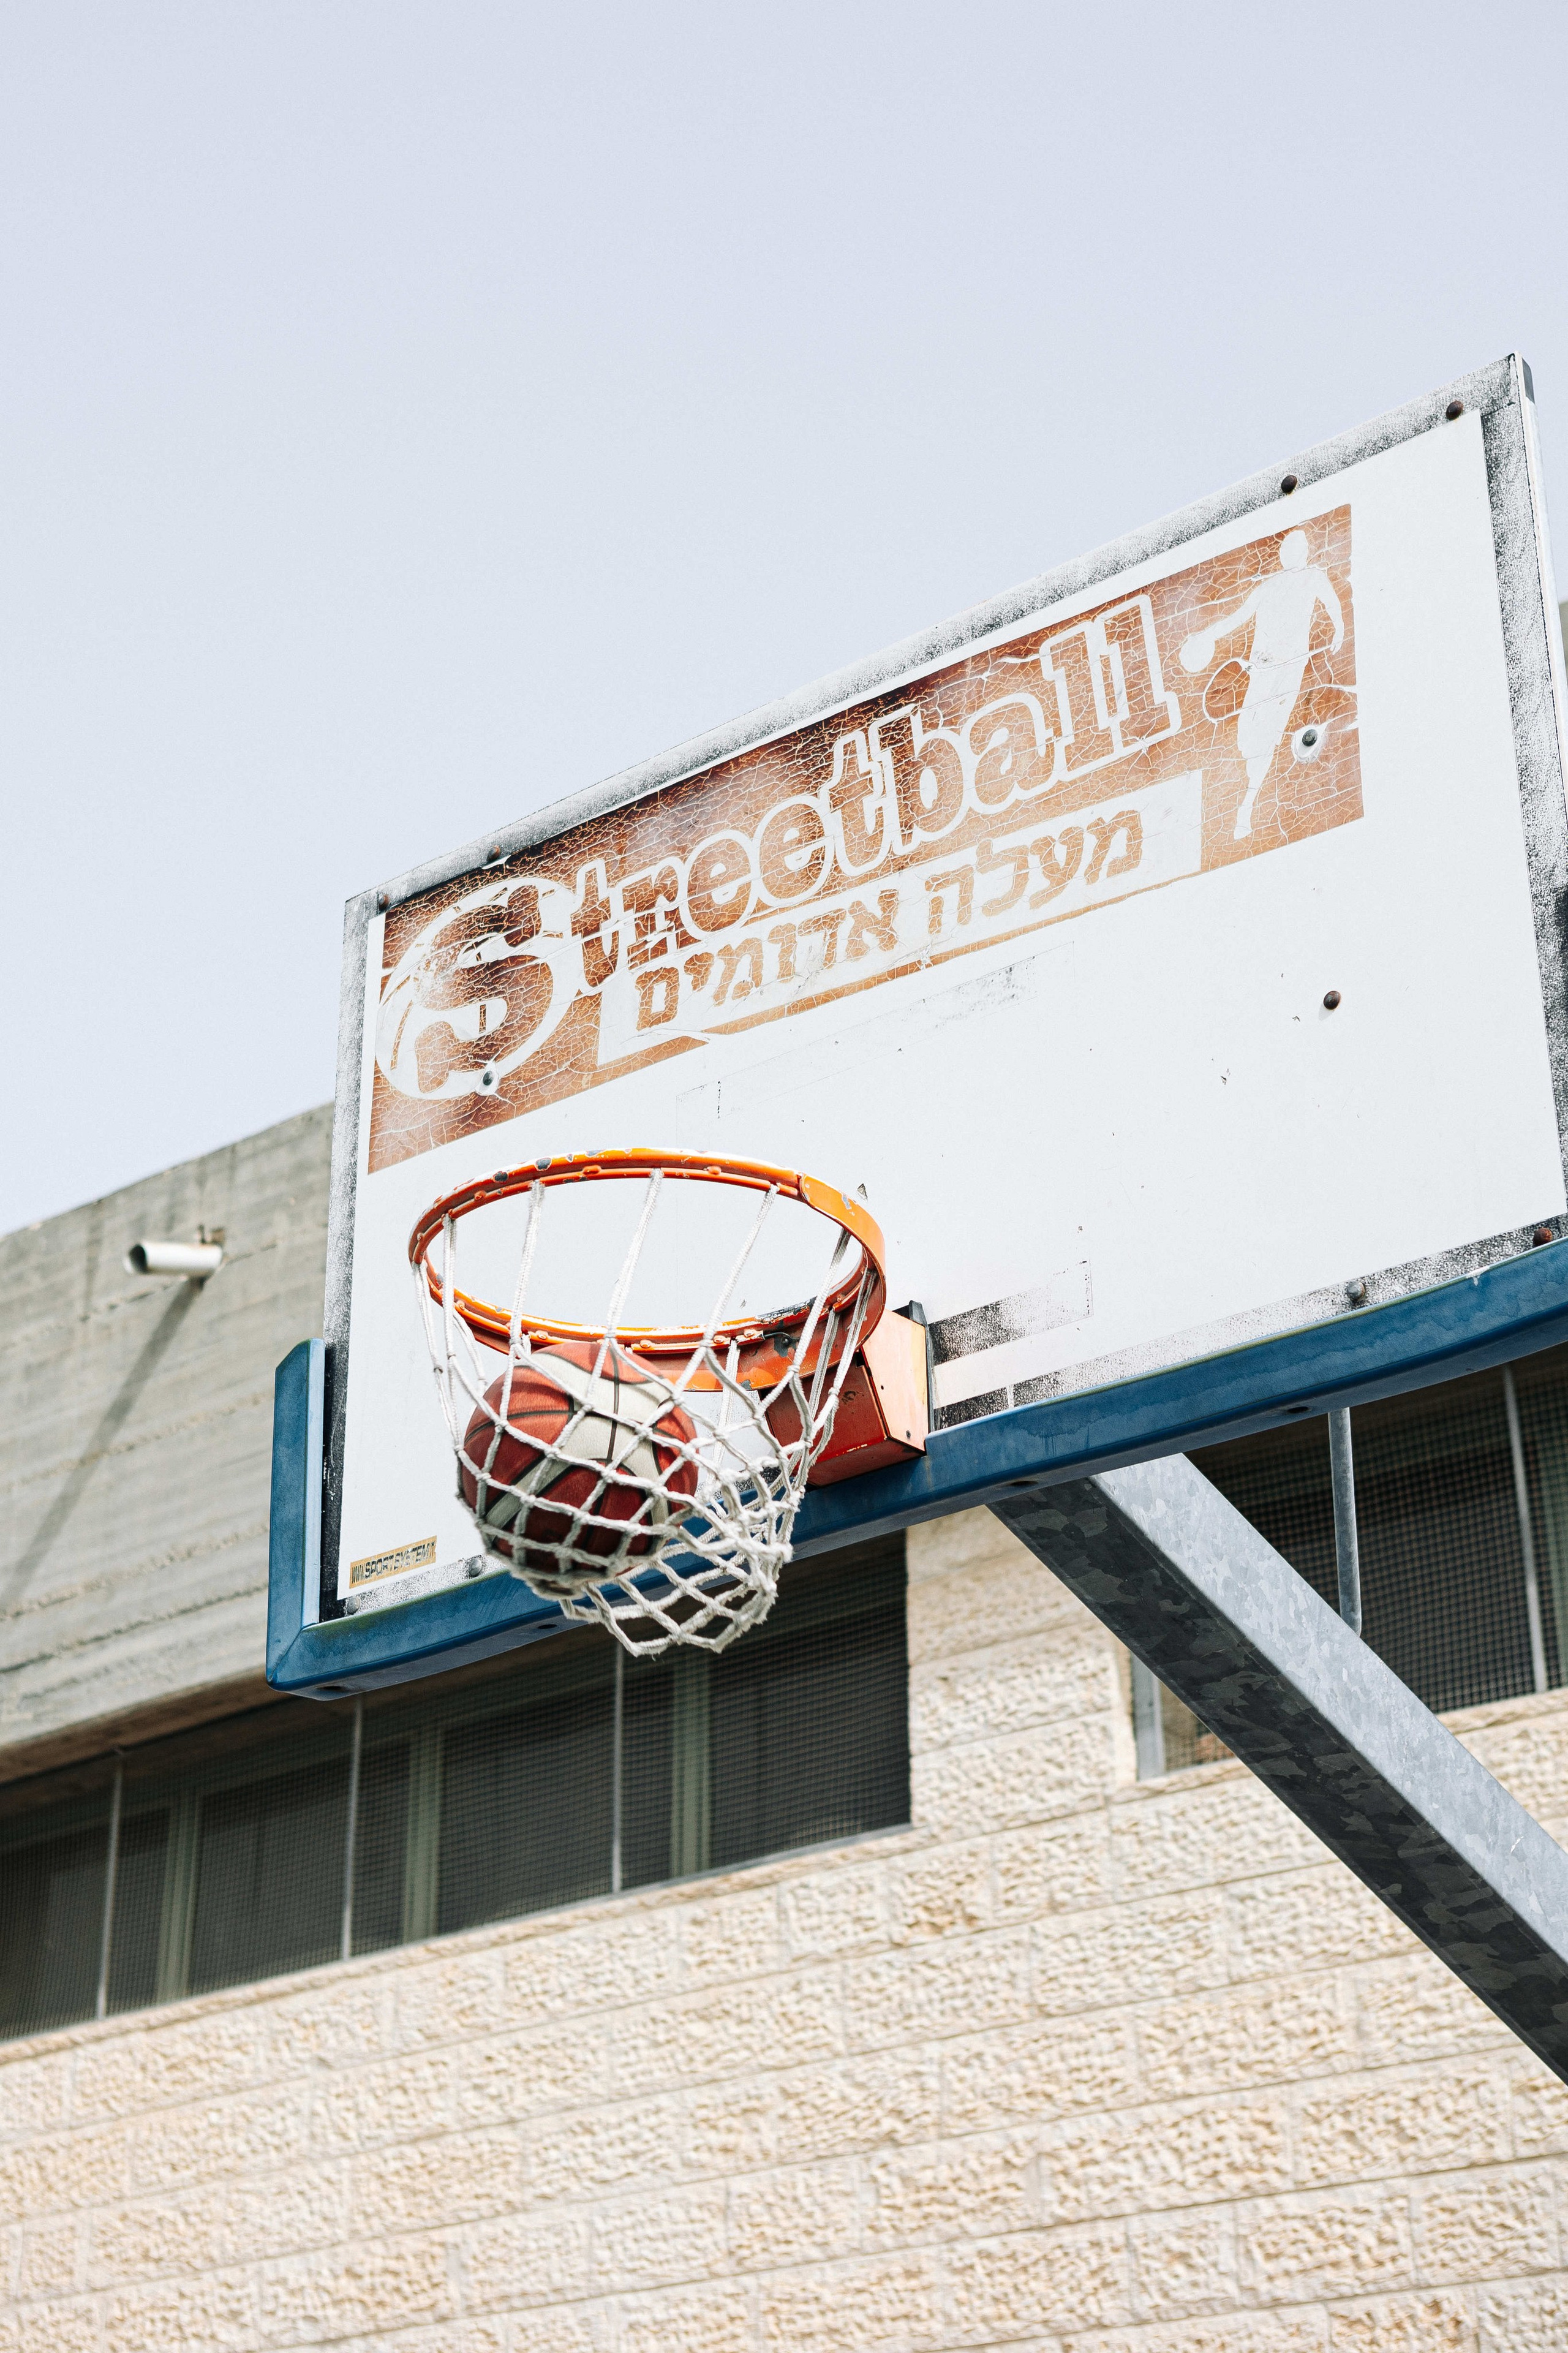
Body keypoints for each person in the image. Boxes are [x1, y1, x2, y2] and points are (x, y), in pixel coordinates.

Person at [1180, 529, 1344, 841]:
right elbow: (1237, 617)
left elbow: (1333, 603)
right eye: (1287, 548)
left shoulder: (1314, 578)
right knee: (1246, 737)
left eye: (1297, 546)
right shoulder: (1269, 586)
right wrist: (1207, 636)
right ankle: (1246, 790)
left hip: (1290, 669)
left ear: (1306, 551)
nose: (1290, 552)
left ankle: (1247, 805)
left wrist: (1339, 629)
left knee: (1269, 736)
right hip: (1262, 670)